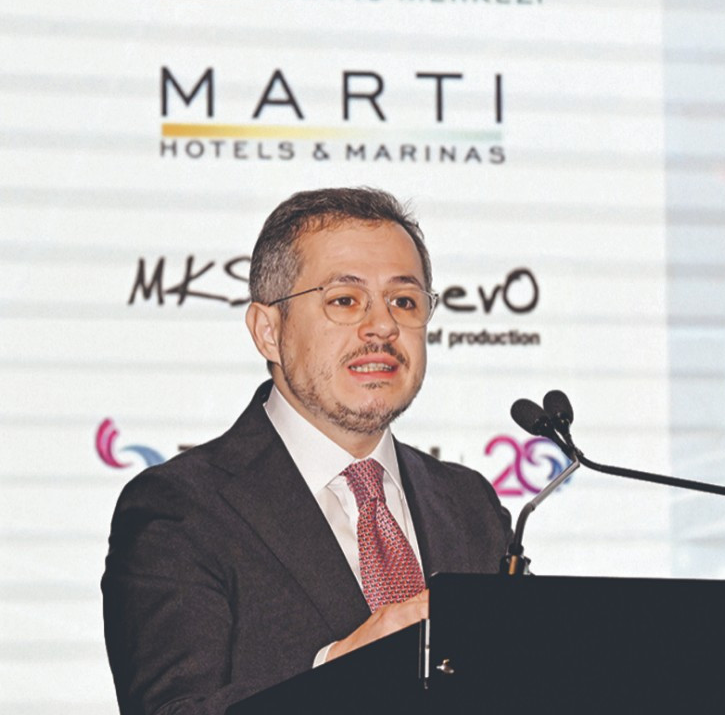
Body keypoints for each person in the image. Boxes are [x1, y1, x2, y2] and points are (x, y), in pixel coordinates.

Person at [102, 187, 511, 715]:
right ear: (268, 331)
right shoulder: (180, 510)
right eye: (345, 300)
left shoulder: (469, 504)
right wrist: (344, 673)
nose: (383, 326)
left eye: (404, 301)